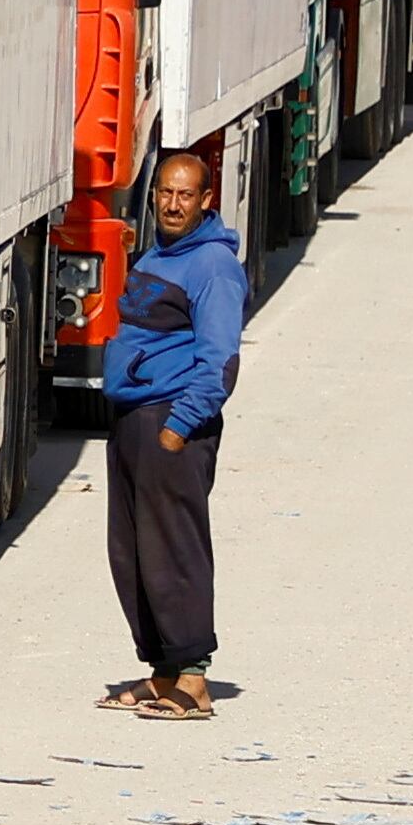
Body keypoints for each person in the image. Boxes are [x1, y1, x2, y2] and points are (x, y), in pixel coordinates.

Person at [95, 150, 245, 722]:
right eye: (165, 192)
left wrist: (179, 429)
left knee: (173, 549)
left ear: (206, 200)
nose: (173, 204)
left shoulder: (212, 267)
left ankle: (193, 679)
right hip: (134, 420)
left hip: (171, 422)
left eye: (186, 195)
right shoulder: (162, 252)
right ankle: (160, 671)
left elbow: (220, 359)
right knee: (132, 551)